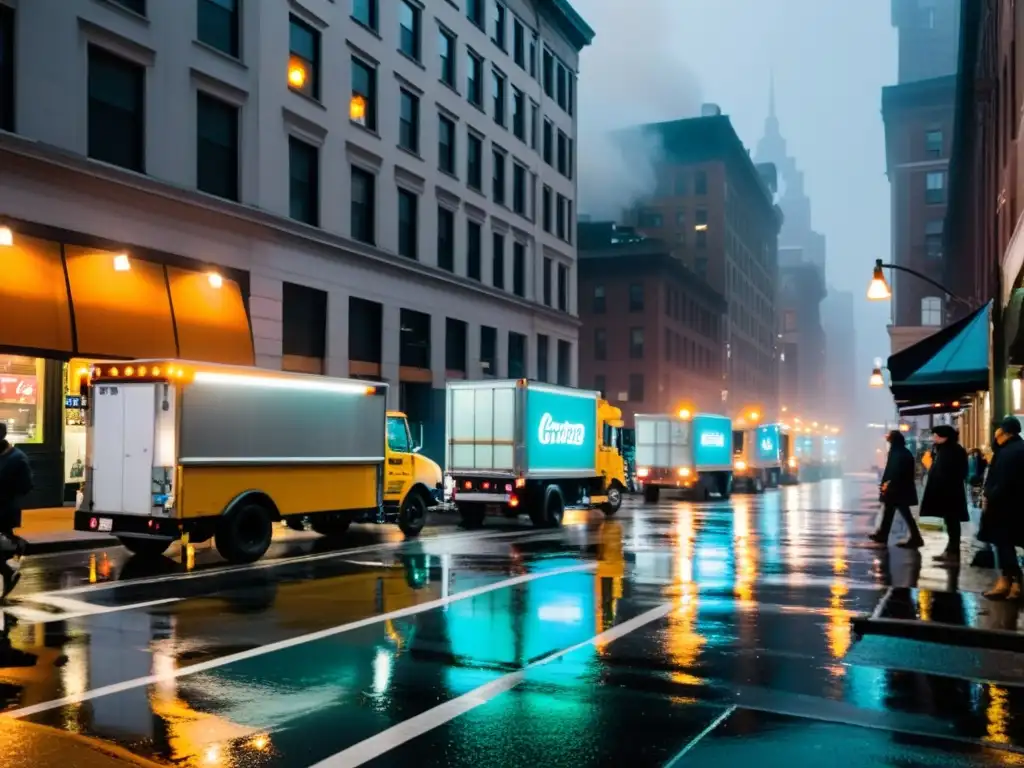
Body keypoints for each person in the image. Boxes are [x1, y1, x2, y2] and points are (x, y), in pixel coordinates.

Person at [978, 416, 1024, 600]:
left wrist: (989, 497)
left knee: (1003, 544)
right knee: (1008, 544)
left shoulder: (1007, 453)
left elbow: (1001, 482)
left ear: (1004, 432)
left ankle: (1010, 581)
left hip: (1003, 506)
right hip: (1016, 505)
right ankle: (1014, 584)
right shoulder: (1016, 448)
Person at [919, 425, 969, 564]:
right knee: (951, 522)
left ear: (944, 437)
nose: (933, 438)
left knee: (952, 522)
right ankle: (951, 551)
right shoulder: (946, 450)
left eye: (936, 435)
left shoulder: (950, 451)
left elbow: (944, 473)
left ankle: (953, 552)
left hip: (949, 493)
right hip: (949, 493)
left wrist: (930, 466)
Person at [869, 429, 925, 548]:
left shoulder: (896, 453)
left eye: (889, 439)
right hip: (899, 488)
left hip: (897, 489)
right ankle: (882, 535)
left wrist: (886, 484)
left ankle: (915, 538)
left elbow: (892, 471)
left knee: (903, 513)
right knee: (889, 512)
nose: (888, 441)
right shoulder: (904, 452)